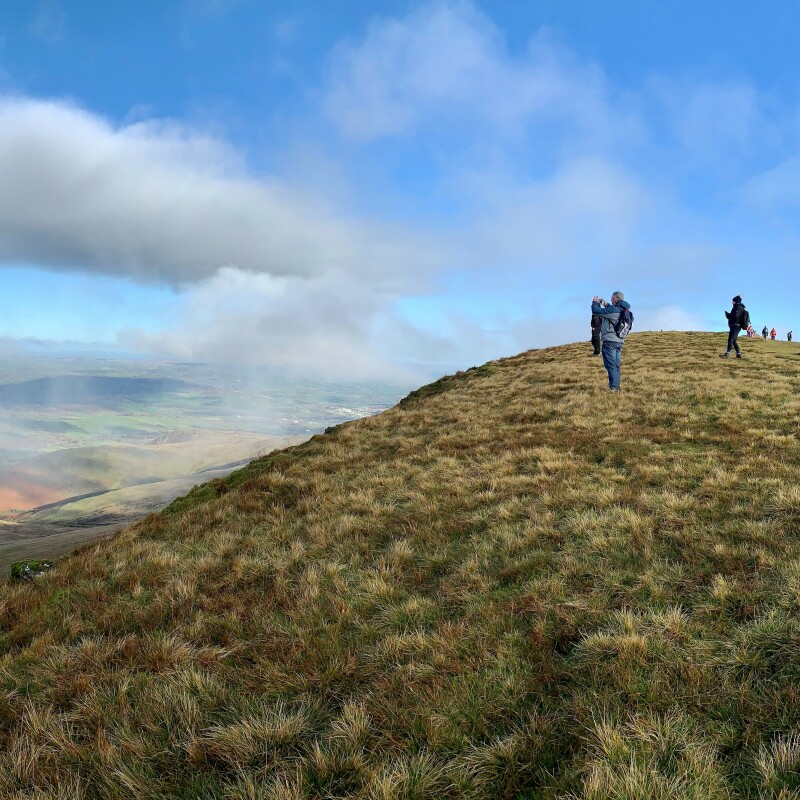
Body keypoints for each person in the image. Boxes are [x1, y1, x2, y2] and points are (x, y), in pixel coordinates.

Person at [591, 291, 632, 392]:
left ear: (615, 298)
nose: (610, 299)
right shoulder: (624, 310)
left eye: (612, 297)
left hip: (610, 341)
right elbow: (613, 311)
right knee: (616, 365)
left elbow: (596, 311)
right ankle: (616, 386)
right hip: (619, 341)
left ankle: (614, 388)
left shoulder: (614, 310)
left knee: (610, 365)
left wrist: (595, 302)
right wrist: (606, 304)